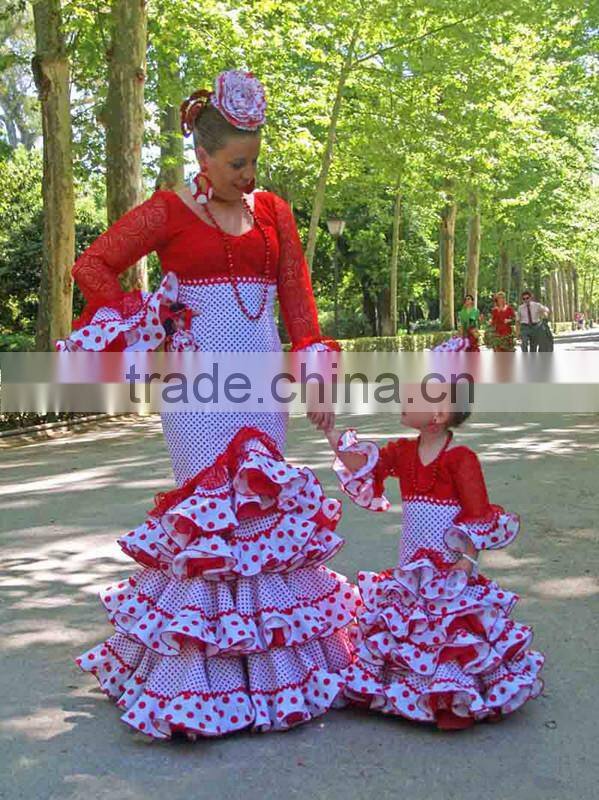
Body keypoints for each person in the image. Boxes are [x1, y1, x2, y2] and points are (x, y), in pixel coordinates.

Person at [57, 70, 358, 740]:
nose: (248, 175)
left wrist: (315, 376)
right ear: (203, 155)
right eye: (235, 163)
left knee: (259, 511)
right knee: (209, 513)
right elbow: (92, 266)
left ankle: (269, 678)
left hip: (259, 376)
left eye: (254, 161)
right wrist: (145, 322)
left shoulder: (274, 212)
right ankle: (198, 686)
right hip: (194, 383)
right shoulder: (166, 210)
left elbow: (295, 298)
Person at [309, 409, 544, 730]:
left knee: (451, 633)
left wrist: (469, 558)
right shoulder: (404, 452)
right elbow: (361, 466)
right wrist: (331, 433)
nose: (405, 397)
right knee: (409, 626)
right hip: (411, 569)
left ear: (438, 414)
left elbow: (477, 513)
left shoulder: (461, 459)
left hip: (449, 569)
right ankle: (405, 688)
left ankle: (452, 695)